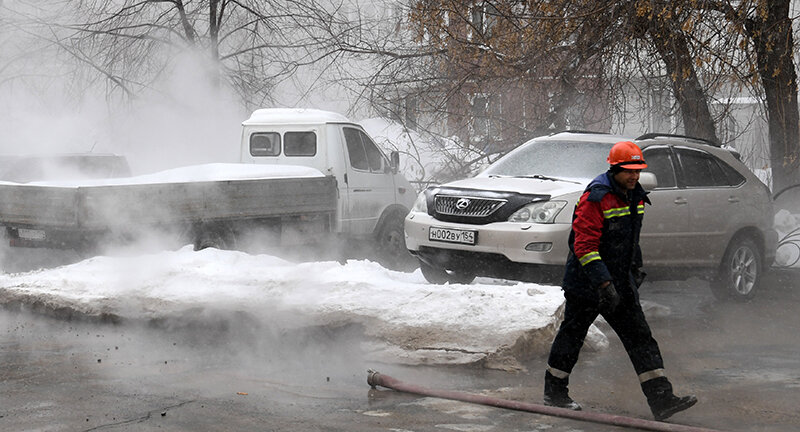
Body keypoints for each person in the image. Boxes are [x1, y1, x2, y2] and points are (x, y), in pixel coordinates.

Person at [543, 141, 697, 421]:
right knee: (572, 337)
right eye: (629, 171)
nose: (634, 176)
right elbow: (584, 247)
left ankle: (662, 399)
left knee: (640, 337)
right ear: (614, 169)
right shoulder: (596, 198)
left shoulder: (635, 195)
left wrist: (634, 269)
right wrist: (604, 284)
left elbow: (629, 239)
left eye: (638, 171)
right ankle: (554, 393)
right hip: (586, 283)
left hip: (620, 282)